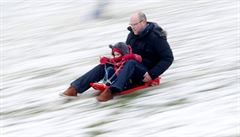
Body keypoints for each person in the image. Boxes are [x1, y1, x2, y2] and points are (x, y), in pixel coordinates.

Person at [62, 11, 174, 102]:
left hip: (146, 72)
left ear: (143, 22)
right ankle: (75, 88)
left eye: (135, 24)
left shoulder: (156, 37)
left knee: (131, 63)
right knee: (106, 64)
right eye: (131, 24)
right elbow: (126, 53)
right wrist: (115, 60)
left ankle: (111, 91)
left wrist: (152, 74)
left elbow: (168, 58)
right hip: (131, 67)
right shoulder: (131, 35)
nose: (132, 27)